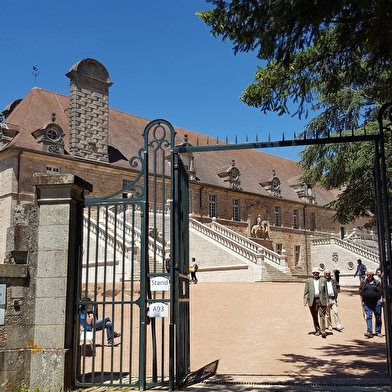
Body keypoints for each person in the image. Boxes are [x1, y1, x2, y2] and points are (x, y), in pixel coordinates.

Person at [303, 267, 328, 338]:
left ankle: (323, 330)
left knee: (322, 315)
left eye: (317, 272)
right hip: (312, 300)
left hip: (321, 300)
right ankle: (317, 330)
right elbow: (306, 292)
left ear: (319, 273)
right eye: (314, 272)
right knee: (314, 316)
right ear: (312, 273)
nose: (315, 273)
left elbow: (326, 291)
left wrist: (327, 301)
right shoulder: (308, 281)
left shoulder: (323, 280)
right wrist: (305, 300)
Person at [359, 270, 383, 338]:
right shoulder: (363, 282)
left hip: (376, 302)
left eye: (370, 275)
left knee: (378, 317)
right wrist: (361, 301)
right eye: (367, 275)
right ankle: (369, 331)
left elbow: (381, 292)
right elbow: (361, 292)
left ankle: (378, 331)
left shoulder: (377, 282)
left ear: (372, 275)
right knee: (368, 317)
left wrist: (381, 300)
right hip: (367, 302)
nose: (368, 276)